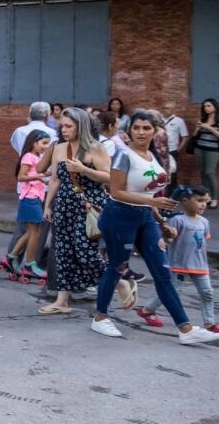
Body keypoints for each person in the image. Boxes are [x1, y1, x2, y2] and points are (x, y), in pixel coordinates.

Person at [91, 114, 219, 344]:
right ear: (129, 131)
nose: (141, 132)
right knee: (117, 266)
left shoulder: (151, 156)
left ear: (155, 131)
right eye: (136, 128)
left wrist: (161, 221)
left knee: (162, 272)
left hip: (146, 217)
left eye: (146, 128)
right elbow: (116, 191)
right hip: (120, 215)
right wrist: (153, 204)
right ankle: (100, 317)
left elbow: (149, 193)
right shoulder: (123, 155)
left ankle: (186, 329)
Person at [37, 107, 112, 316]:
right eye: (62, 126)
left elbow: (109, 177)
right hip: (63, 205)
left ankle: (119, 282)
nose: (63, 130)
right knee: (62, 252)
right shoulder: (59, 148)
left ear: (81, 126)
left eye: (69, 126)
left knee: (85, 251)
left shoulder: (95, 148)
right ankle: (62, 300)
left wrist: (84, 169)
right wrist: (48, 205)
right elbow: (54, 179)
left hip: (87, 205)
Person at [136, 185, 217, 333]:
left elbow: (201, 243)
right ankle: (147, 309)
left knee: (207, 292)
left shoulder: (204, 222)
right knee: (172, 293)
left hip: (200, 266)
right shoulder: (177, 220)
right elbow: (167, 239)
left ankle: (209, 323)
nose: (203, 204)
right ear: (185, 201)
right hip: (179, 265)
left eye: (205, 201)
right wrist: (164, 241)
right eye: (199, 201)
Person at [7, 130, 51, 279]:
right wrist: (38, 176)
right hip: (29, 198)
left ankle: (10, 257)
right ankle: (30, 264)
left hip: (35, 198)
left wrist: (47, 175)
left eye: (48, 143)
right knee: (34, 233)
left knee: (31, 232)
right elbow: (21, 177)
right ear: (34, 142)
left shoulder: (37, 157)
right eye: (44, 143)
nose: (46, 147)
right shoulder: (28, 156)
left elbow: (37, 175)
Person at [191, 98, 219, 208]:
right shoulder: (203, 119)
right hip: (199, 149)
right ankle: (206, 197)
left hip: (213, 150)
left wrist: (209, 128)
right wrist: (197, 128)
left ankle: (215, 199)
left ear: (215, 107)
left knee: (209, 173)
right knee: (202, 173)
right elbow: (194, 136)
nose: (206, 108)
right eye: (204, 106)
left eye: (209, 106)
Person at [164, 109, 189, 188]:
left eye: (168, 108)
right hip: (160, 150)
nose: (166, 110)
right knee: (160, 171)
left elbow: (185, 136)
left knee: (172, 172)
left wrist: (178, 149)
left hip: (172, 150)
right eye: (164, 108)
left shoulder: (179, 121)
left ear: (173, 109)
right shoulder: (159, 120)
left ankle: (172, 192)